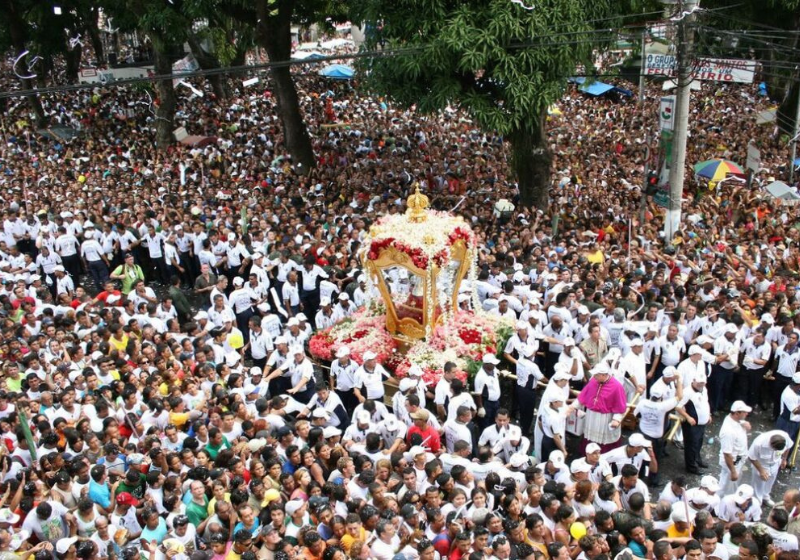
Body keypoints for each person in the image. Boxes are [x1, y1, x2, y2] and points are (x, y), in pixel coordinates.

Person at [575, 362, 628, 453]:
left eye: (596, 375)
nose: (594, 376)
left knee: (604, 442)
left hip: (605, 419)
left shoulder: (616, 387)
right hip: (591, 417)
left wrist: (616, 419)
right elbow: (583, 395)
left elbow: (620, 406)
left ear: (603, 375)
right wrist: (573, 406)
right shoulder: (593, 381)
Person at [677, 371, 711, 475]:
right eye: (699, 383)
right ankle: (691, 466)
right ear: (694, 381)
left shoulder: (704, 389)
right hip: (692, 424)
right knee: (691, 445)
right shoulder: (687, 392)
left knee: (699, 442)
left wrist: (708, 415)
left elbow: (705, 402)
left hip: (702, 422)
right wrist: (688, 417)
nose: (701, 385)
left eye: (703, 383)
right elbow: (678, 406)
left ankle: (697, 460)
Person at [748, 430, 793, 506]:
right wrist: (761, 471)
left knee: (770, 481)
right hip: (761, 464)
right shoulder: (759, 443)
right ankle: (756, 502)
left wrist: (784, 459)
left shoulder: (785, 436)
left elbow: (788, 447)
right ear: (771, 444)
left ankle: (765, 497)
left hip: (775, 463)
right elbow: (751, 457)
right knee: (758, 484)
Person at [717, 401, 753, 495]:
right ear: (737, 413)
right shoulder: (728, 432)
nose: (747, 413)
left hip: (739, 457)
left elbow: (746, 424)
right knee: (726, 485)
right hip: (733, 461)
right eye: (744, 412)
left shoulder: (736, 419)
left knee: (732, 484)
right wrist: (733, 471)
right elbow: (727, 454)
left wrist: (746, 424)